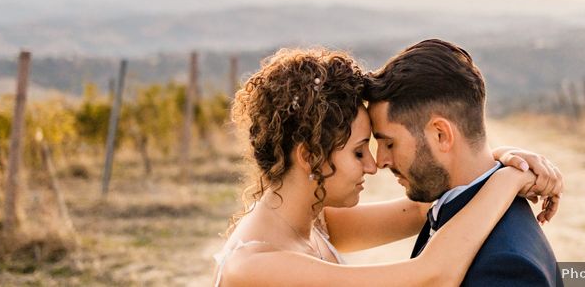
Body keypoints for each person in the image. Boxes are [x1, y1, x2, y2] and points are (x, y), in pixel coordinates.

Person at [213, 47, 563, 287]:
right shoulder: (254, 267)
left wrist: (497, 157)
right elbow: (431, 277)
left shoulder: (314, 223)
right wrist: (511, 177)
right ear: (309, 156)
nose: (373, 165)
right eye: (359, 151)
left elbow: (431, 203)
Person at [365, 39, 564, 286]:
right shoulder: (452, 203)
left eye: (389, 143)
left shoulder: (508, 267)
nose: (380, 161)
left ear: (441, 135)